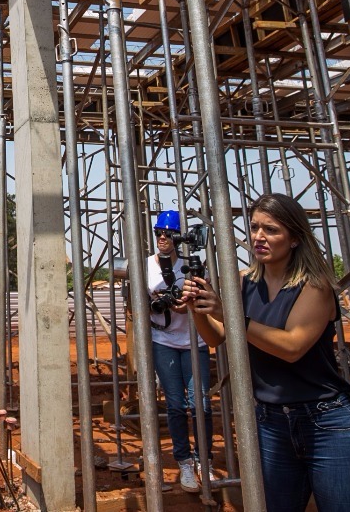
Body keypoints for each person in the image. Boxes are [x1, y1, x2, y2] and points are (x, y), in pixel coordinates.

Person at [183, 192, 350, 512]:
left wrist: (229, 313)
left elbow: (292, 347)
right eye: (255, 227)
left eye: (271, 229)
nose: (259, 236)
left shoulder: (315, 286)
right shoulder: (242, 282)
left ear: (295, 237)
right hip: (271, 424)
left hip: (327, 423)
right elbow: (218, 337)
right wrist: (199, 310)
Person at [146, 210, 211, 493]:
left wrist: (189, 303)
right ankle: (184, 460)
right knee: (175, 404)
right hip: (164, 341)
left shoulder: (194, 265)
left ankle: (203, 459)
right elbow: (135, 306)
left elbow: (208, 299)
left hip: (195, 341)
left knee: (202, 404)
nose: (162, 237)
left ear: (178, 236)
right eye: (159, 232)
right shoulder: (146, 266)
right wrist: (159, 303)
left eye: (168, 233)